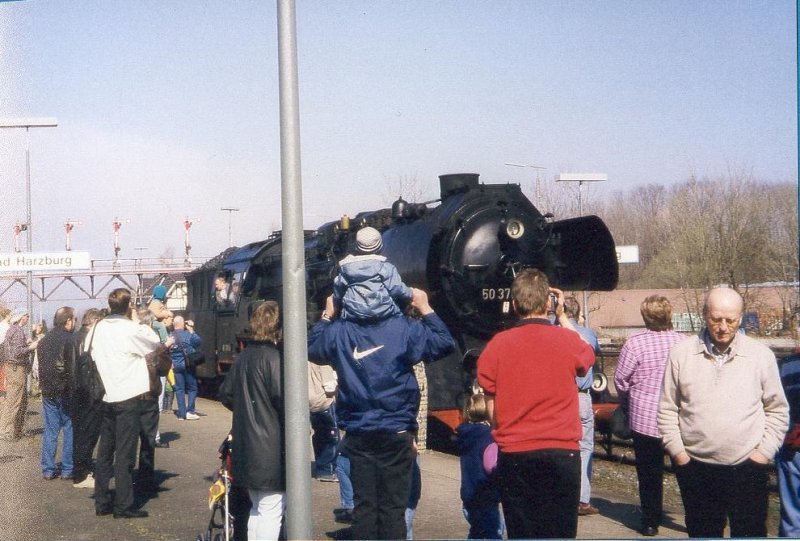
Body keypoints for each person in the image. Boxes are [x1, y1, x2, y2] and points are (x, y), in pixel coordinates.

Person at [308, 287, 455, 540]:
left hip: (359, 431)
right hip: (397, 430)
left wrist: (327, 315)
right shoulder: (405, 328)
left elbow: (309, 347)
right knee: (393, 510)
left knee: (364, 507)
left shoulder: (341, 331)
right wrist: (426, 307)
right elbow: (444, 342)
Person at [658, 287, 789, 538]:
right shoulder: (681, 355)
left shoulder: (761, 356)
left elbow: (778, 410)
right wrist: (679, 455)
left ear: (740, 317)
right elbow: (667, 409)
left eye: (731, 320)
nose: (723, 327)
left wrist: (762, 455)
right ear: (704, 315)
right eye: (716, 319)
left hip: (748, 469)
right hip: (696, 469)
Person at [477, 268, 594, 539]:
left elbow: (490, 397)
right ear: (548, 304)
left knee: (522, 533)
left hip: (516, 454)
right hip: (562, 452)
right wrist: (563, 316)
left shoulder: (498, 345)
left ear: (515, 305)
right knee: (560, 533)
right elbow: (586, 356)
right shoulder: (567, 341)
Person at [614, 295, 686, 536]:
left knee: (648, 473)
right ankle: (695, 517)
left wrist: (626, 402)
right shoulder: (683, 342)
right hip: (678, 418)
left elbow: (621, 380)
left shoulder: (634, 344)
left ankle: (650, 522)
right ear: (669, 315)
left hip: (644, 417)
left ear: (645, 316)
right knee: (685, 470)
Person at [91, 288, 162, 519]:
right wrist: (135, 320)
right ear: (129, 305)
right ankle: (123, 505)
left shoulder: (97, 327)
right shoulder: (131, 329)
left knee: (104, 451)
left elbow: (89, 352)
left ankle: (101, 501)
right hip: (129, 394)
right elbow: (154, 342)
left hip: (106, 394)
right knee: (124, 453)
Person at [219, 301, 285, 541]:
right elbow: (284, 401)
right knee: (272, 509)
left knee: (257, 508)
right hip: (271, 447)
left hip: (246, 444)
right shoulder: (276, 358)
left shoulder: (243, 356)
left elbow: (225, 394)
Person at [562, 296, 602, 517]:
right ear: (577, 313)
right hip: (583, 398)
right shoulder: (588, 334)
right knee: (585, 447)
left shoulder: (553, 332)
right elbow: (594, 350)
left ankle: (563, 496)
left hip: (562, 397)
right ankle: (583, 500)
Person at [332, 226, 412, 321]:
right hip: (384, 315)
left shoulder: (345, 268)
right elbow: (397, 290)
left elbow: (338, 293)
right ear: (380, 246)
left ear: (356, 247)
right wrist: (411, 292)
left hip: (353, 316)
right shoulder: (385, 267)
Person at [36, 307, 78, 480]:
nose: (75, 322)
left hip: (47, 391)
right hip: (66, 391)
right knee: (69, 428)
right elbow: (73, 369)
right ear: (68, 320)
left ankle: (48, 469)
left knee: (51, 430)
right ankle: (68, 469)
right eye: (74, 319)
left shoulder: (43, 341)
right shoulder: (71, 339)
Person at [457, 393, 503, 539]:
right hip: (486, 496)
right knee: (493, 534)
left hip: (468, 497)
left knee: (476, 532)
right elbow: (491, 466)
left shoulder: (463, 434)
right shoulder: (487, 437)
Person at [69, 307, 104, 488]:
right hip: (88, 392)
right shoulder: (90, 340)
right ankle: (82, 475)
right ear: (95, 322)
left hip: (75, 393)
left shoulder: (74, 337)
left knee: (78, 435)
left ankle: (80, 471)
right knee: (88, 435)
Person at [0, 308, 40, 441]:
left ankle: (11, 430)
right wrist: (31, 347)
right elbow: (17, 352)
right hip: (16, 368)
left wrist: (25, 343)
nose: (28, 318)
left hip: (12, 367)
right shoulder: (17, 331)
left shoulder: (12, 329)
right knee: (14, 400)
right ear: (22, 317)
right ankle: (6, 431)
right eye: (27, 315)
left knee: (14, 399)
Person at [778, 348, 800, 537]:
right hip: (793, 446)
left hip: (792, 443)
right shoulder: (787, 364)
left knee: (792, 518)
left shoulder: (787, 364)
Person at [308, 362, 340, 481]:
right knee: (331, 437)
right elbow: (329, 386)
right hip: (323, 402)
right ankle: (328, 470)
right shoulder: (323, 362)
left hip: (304, 401)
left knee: (318, 436)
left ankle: (321, 467)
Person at [169, 315, 202, 421]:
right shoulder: (188, 334)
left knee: (179, 389)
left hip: (176, 365)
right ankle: (190, 411)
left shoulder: (170, 335)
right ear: (183, 324)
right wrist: (192, 330)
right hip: (188, 365)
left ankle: (181, 414)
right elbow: (198, 342)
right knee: (192, 388)